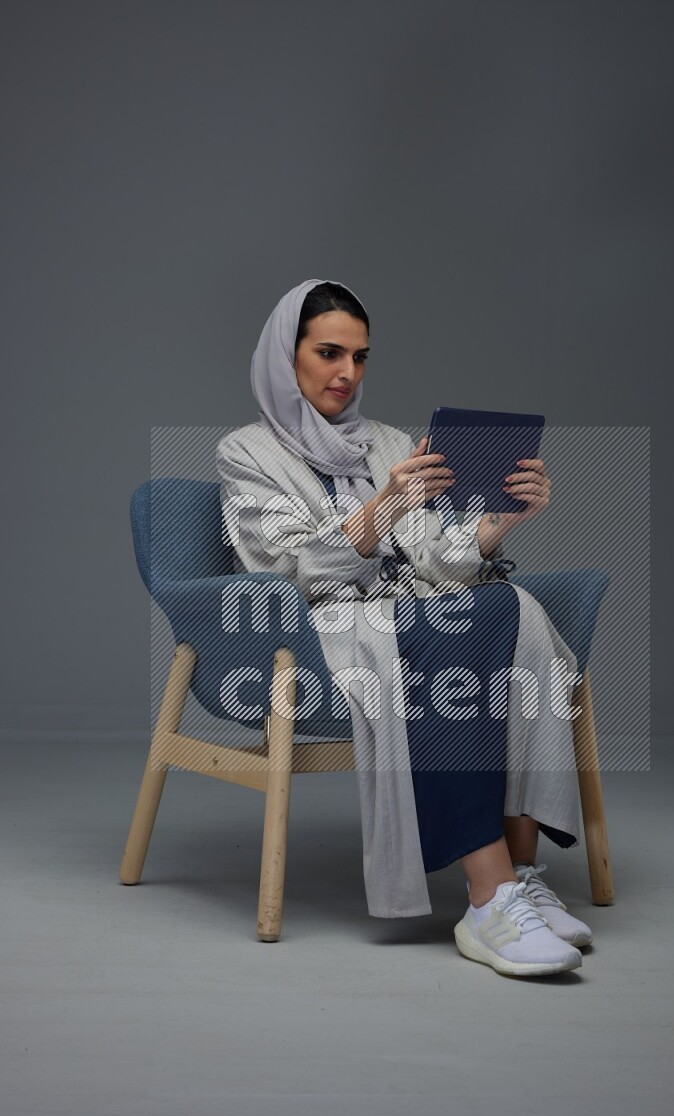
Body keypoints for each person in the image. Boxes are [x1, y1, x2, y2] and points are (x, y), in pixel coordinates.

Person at [216, 278, 593, 979]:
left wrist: (495, 525)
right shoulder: (245, 452)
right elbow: (287, 568)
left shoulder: (386, 440)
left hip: (409, 607)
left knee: (517, 610)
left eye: (359, 357)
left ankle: (521, 868)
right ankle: (490, 899)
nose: (346, 373)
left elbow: (434, 557)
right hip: (322, 629)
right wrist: (384, 502)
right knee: (453, 627)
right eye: (328, 352)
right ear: (284, 354)